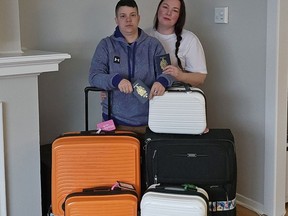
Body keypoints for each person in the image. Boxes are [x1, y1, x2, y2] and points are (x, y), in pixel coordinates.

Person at [89, 0, 174, 134]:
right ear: (116, 20)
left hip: (150, 120)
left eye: (132, 15)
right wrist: (116, 80)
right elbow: (94, 77)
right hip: (114, 121)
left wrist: (162, 81)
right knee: (117, 155)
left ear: (138, 18)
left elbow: (168, 72)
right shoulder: (106, 45)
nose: (128, 20)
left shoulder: (153, 45)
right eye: (123, 16)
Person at [146, 0, 207, 87]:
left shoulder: (189, 39)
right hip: (145, 95)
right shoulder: (143, 35)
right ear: (158, 9)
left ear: (179, 16)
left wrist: (180, 75)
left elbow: (200, 78)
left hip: (176, 95)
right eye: (165, 7)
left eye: (175, 10)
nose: (168, 13)